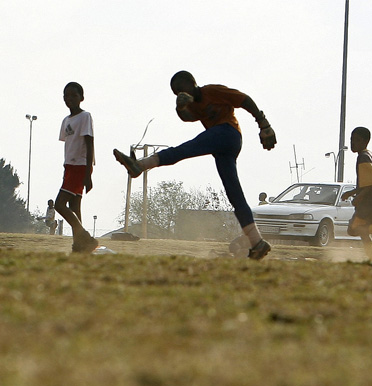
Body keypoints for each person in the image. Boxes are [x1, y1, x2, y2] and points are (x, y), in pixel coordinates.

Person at [114, 70, 276, 260]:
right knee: (234, 195)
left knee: (183, 150)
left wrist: (263, 123)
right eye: (176, 93)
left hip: (228, 133)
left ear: (193, 83)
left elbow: (244, 99)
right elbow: (188, 117)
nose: (180, 94)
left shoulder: (212, 91)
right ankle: (257, 242)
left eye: (182, 90)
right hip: (221, 148)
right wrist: (181, 108)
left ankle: (140, 165)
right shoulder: (192, 104)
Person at [54, 82, 98, 253]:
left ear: (81, 98)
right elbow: (69, 144)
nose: (69, 98)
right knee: (74, 207)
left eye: (74, 95)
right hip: (69, 166)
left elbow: (89, 143)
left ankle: (85, 237)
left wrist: (88, 173)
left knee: (59, 204)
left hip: (80, 166)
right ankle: (79, 246)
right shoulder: (66, 121)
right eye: (66, 95)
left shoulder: (85, 116)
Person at [340, 127, 372, 263]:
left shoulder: (363, 157)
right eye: (351, 140)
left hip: (371, 199)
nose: (353, 143)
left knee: (354, 229)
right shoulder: (368, 155)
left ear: (366, 141)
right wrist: (352, 192)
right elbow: (368, 182)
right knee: (362, 231)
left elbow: (371, 183)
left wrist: (359, 197)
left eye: (356, 140)